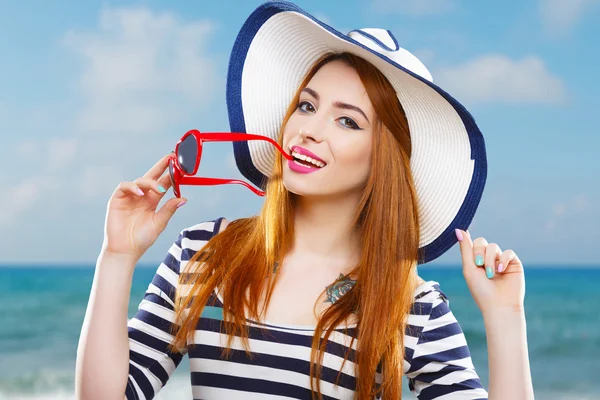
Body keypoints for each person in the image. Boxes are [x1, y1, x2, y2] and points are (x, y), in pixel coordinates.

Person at [75, 2, 534, 399]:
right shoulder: (201, 254)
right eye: (308, 106)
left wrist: (505, 317)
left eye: (348, 122)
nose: (310, 129)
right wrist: (116, 257)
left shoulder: (411, 305)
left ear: (383, 162)